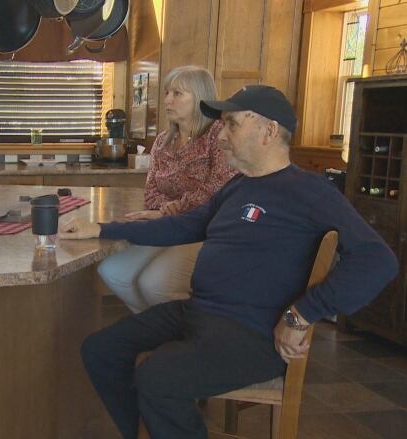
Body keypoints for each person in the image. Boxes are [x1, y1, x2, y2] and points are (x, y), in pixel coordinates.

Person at [60, 85, 398, 439]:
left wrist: (301, 314)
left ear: (268, 131)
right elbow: (185, 225)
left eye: (232, 124)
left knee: (156, 380)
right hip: (200, 312)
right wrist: (101, 228)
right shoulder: (239, 186)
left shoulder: (310, 192)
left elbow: (378, 260)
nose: (221, 135)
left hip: (255, 333)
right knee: (100, 350)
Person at [98, 66, 237, 312]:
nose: (167, 100)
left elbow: (217, 188)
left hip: (202, 230)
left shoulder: (218, 136)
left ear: (200, 98)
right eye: (166, 93)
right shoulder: (163, 140)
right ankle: (152, 329)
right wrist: (165, 212)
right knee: (111, 271)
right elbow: (150, 190)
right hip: (166, 227)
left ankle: (174, 335)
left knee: (151, 282)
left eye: (177, 94)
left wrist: (170, 211)